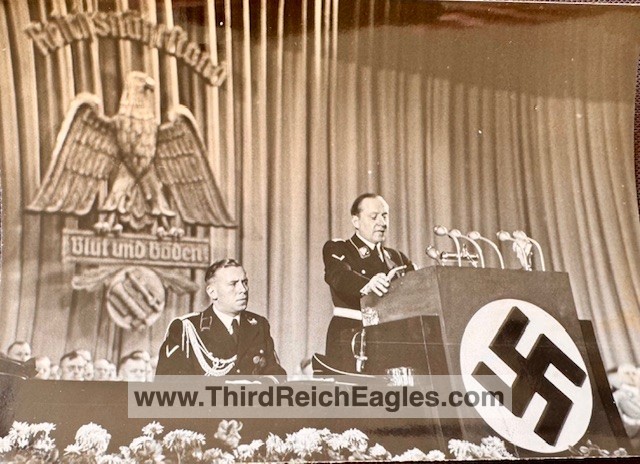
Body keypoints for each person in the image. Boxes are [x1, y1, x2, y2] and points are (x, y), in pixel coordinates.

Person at [322, 193, 415, 372]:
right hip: (352, 339)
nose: (382, 222)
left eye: (385, 216)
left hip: (392, 341)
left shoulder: (396, 257)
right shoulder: (340, 248)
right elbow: (339, 276)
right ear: (356, 221)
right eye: (374, 217)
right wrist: (368, 285)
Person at [155, 259, 286, 376]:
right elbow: (169, 387)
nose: (243, 289)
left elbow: (276, 374)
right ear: (212, 292)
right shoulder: (187, 329)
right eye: (233, 284)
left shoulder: (258, 325)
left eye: (245, 282)